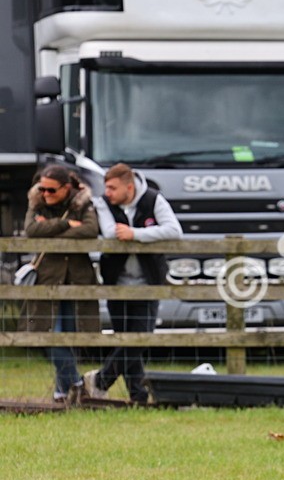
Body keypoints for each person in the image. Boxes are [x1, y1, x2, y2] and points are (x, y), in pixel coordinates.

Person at [84, 163, 182, 403]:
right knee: (125, 339)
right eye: (106, 187)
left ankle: (100, 381)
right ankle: (138, 396)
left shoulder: (154, 200)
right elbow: (109, 233)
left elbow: (174, 230)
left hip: (148, 282)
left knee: (140, 338)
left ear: (129, 187)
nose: (107, 192)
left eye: (112, 188)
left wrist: (135, 234)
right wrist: (139, 234)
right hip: (116, 282)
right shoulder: (103, 203)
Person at [22, 166, 100, 402]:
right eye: (42, 188)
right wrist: (66, 224)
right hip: (48, 279)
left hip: (77, 278)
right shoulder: (36, 201)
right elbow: (32, 230)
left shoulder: (83, 202)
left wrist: (51, 227)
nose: (45, 193)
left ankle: (61, 392)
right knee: (49, 336)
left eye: (51, 189)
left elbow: (90, 230)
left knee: (68, 335)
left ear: (66, 188)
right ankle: (76, 382)